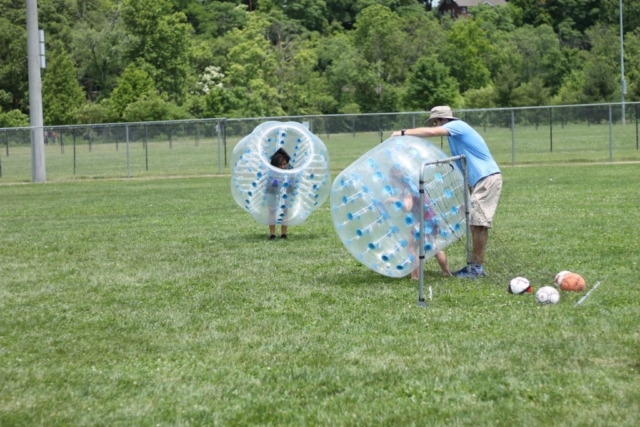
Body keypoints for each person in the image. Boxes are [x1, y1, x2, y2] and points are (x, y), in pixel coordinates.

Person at [392, 105, 502, 279]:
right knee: (474, 223)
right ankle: (473, 266)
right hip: (477, 182)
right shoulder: (454, 139)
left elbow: (431, 133)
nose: (435, 126)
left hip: (486, 178)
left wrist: (403, 132)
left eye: (436, 122)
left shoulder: (458, 126)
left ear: (443, 120)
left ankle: (477, 268)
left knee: (478, 224)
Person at [384, 166, 452, 279]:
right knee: (434, 247)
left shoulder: (407, 190)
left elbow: (407, 207)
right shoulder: (412, 185)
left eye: (390, 177)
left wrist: (393, 200)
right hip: (431, 219)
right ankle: (446, 272)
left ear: (394, 178)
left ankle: (416, 277)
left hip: (422, 222)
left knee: (410, 247)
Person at [267, 148, 293, 240]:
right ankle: (272, 234)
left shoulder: (290, 169)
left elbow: (293, 187)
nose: (282, 166)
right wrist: (272, 183)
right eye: (280, 165)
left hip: (285, 190)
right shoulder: (271, 170)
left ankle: (284, 234)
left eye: (284, 164)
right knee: (271, 209)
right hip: (272, 191)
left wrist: (290, 184)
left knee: (285, 210)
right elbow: (266, 186)